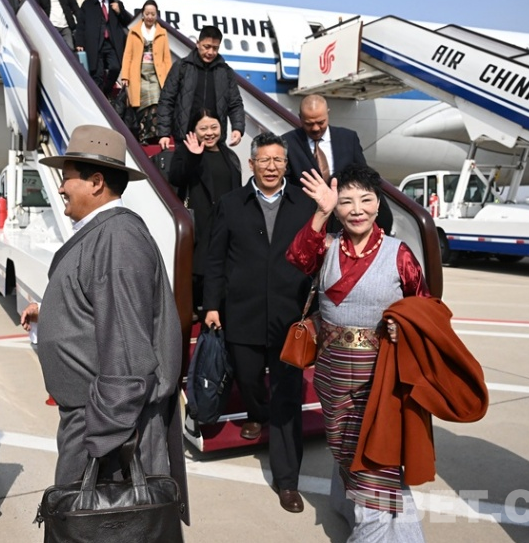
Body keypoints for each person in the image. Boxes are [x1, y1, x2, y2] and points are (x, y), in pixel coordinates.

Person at [19, 125, 188, 522]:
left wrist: (103, 439)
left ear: (96, 182)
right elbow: (103, 308)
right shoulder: (106, 234)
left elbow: (128, 352)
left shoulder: (117, 239)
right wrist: (52, 313)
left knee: (108, 527)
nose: (61, 188)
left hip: (108, 425)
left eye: (67, 178)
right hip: (97, 418)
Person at [286, 164, 430, 541]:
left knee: (377, 458)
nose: (356, 209)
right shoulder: (327, 245)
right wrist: (320, 213)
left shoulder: (400, 254)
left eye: (365, 200)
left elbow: (425, 308)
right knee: (345, 450)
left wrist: (404, 325)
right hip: (332, 373)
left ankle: (378, 531)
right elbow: (298, 258)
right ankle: (354, 509)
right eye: (346, 201)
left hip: (381, 376)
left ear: (378, 203)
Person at [203, 132, 315, 513]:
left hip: (289, 316)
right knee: (248, 377)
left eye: (278, 160)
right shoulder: (231, 204)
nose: (271, 167)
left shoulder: (305, 205)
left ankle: (287, 480)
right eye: (264, 160)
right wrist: (211, 305)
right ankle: (256, 412)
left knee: (287, 396)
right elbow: (215, 259)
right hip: (243, 312)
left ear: (287, 164)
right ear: (251, 163)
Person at [169, 110, 241, 317]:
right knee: (199, 267)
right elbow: (176, 178)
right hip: (200, 220)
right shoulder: (185, 152)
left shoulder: (229, 155)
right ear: (194, 130)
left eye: (214, 127)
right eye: (203, 128)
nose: (209, 133)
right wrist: (193, 156)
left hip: (225, 220)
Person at [284, 94, 392, 231]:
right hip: (306, 222)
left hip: (343, 221)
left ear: (328, 114)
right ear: (300, 118)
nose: (316, 128)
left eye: (321, 122)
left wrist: (383, 216)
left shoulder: (348, 139)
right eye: (309, 124)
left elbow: (364, 177)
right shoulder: (288, 143)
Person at [157, 25, 245, 150]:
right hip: (185, 140)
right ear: (198, 43)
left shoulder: (226, 72)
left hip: (214, 141)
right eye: (206, 47)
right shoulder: (181, 67)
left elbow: (235, 103)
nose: (210, 52)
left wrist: (237, 128)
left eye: (215, 48)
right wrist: (164, 133)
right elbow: (166, 100)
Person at [120, 0, 172, 144]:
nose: (150, 17)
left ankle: (152, 134)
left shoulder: (162, 33)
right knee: (142, 104)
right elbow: (128, 55)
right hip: (139, 73)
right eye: (147, 14)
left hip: (156, 73)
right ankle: (143, 135)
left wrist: (169, 76)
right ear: (142, 14)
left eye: (153, 14)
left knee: (155, 101)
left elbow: (166, 57)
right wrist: (125, 76)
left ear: (156, 15)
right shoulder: (134, 31)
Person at [74, 0, 132, 96]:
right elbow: (81, 25)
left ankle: (106, 91)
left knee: (116, 67)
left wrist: (119, 11)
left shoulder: (116, 3)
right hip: (95, 43)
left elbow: (127, 22)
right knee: (97, 73)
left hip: (112, 43)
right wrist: (79, 42)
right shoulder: (88, 5)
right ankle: (99, 98)